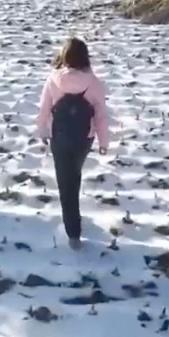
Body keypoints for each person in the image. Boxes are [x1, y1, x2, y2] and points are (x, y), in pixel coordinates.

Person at [36, 37, 110, 250]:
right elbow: (101, 116)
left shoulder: (53, 79)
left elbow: (43, 109)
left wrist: (42, 131)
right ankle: (74, 220)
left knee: (64, 182)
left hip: (59, 137)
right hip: (83, 139)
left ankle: (73, 232)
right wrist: (103, 143)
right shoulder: (94, 82)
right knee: (74, 174)